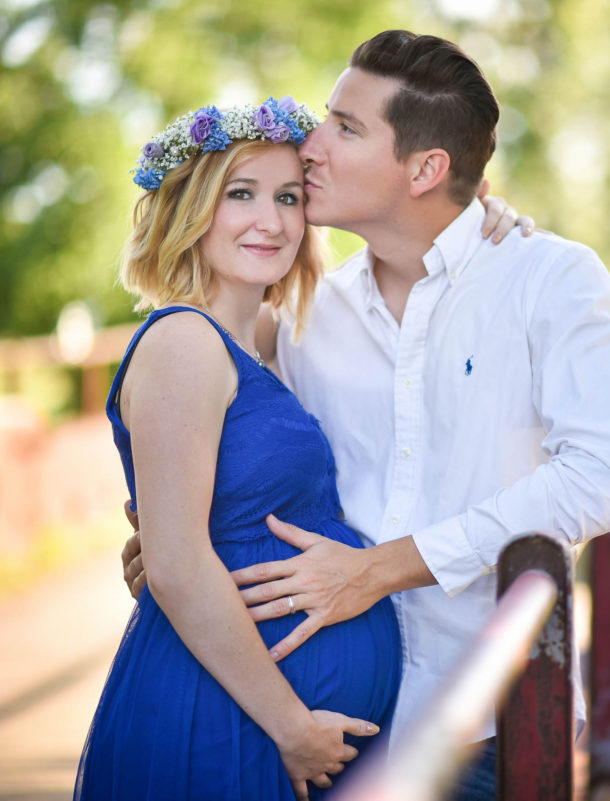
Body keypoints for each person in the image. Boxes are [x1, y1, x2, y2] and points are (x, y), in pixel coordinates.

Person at [123, 30, 610, 801]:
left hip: (484, 729)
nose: (312, 144)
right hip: (324, 730)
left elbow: (603, 478)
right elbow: (222, 426)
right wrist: (173, 546)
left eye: (345, 127)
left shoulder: (551, 280)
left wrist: (382, 568)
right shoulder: (307, 315)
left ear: (426, 169)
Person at [76, 97, 407, 801]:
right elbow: (175, 562)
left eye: (289, 197)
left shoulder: (263, 347)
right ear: (190, 210)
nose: (273, 220)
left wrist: (483, 225)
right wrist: (291, 724)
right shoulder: (182, 342)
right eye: (241, 194)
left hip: (265, 716)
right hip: (231, 715)